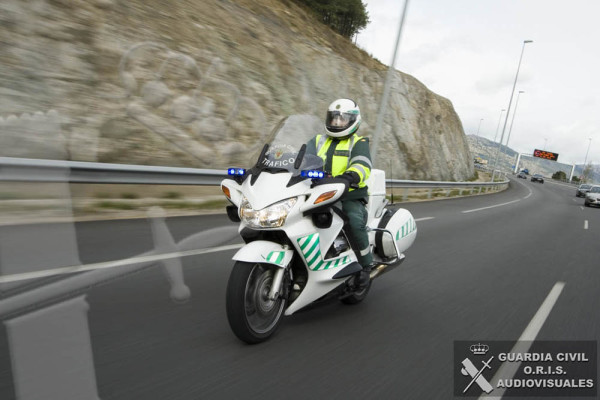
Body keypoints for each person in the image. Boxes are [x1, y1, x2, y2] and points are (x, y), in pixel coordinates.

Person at [305, 98, 373, 289]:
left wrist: (350, 176)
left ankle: (365, 266)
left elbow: (363, 164)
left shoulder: (358, 142)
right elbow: (301, 158)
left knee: (353, 220)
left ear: (353, 121)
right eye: (333, 118)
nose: (336, 123)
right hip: (317, 192)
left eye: (341, 119)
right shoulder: (318, 140)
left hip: (348, 194)